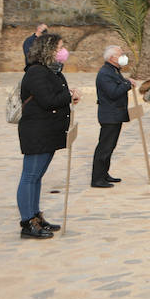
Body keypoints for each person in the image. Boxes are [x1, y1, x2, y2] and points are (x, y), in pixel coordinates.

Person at [16, 34, 78, 239]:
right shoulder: (36, 72)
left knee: (37, 177)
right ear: (49, 49)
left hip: (48, 131)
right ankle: (27, 222)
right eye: (60, 47)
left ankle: (36, 216)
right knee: (30, 176)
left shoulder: (53, 71)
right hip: (37, 132)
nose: (63, 51)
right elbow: (48, 100)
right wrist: (69, 95)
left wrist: (69, 96)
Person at [91, 45, 133, 187]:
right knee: (104, 147)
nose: (123, 57)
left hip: (116, 114)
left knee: (110, 146)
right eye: (120, 54)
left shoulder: (114, 70)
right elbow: (113, 92)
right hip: (109, 115)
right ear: (111, 58)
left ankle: (104, 173)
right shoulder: (105, 73)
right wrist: (127, 83)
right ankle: (97, 178)